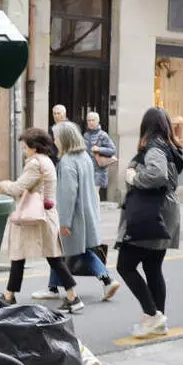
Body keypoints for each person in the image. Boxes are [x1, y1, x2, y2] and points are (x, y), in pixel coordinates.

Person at [0, 128, 84, 313]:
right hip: (44, 215)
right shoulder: (46, 161)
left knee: (24, 254)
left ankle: (10, 295)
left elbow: (18, 188)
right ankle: (71, 297)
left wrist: (1, 186)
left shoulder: (34, 163)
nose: (23, 150)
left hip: (35, 217)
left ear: (34, 147)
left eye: (25, 147)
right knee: (50, 257)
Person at [32, 121, 120, 303]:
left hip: (73, 216)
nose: (54, 141)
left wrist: (64, 222)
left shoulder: (67, 162)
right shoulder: (85, 157)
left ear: (64, 139)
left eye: (56, 137)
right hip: (87, 213)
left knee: (69, 250)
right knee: (68, 250)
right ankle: (54, 287)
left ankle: (106, 279)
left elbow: (68, 194)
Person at [117, 106, 183, 338]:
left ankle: (153, 315)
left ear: (146, 127)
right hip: (164, 214)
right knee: (153, 267)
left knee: (124, 265)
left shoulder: (154, 148)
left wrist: (135, 178)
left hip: (151, 215)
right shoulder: (168, 147)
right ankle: (158, 319)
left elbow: (157, 175)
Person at [84, 112, 117, 203]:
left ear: (98, 121)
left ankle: (96, 215)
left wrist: (99, 149)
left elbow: (112, 150)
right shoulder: (85, 135)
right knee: (89, 194)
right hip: (88, 169)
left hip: (99, 170)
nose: (90, 122)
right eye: (88, 120)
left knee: (94, 193)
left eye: (93, 120)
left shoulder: (103, 135)